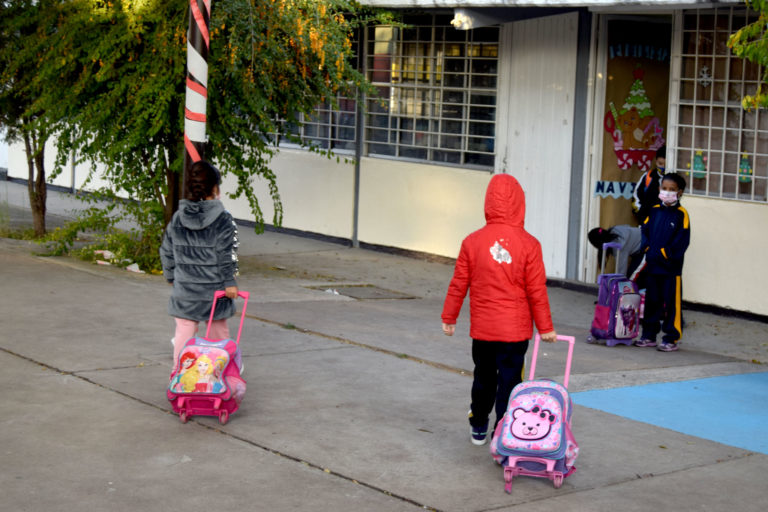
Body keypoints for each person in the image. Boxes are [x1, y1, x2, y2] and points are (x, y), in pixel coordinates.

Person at [441, 173, 557, 446]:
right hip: (514, 333)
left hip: (483, 329)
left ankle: (479, 423)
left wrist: (450, 316)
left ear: (488, 203)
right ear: (520, 203)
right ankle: (504, 431)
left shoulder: (472, 241)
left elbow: (459, 283)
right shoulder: (530, 244)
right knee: (510, 381)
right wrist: (546, 327)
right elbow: (536, 290)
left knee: (483, 376)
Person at [160, 160, 240, 365]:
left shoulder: (178, 218)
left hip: (186, 290)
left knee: (184, 332)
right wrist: (229, 282)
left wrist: (170, 276)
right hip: (214, 291)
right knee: (218, 335)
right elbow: (226, 254)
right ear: (215, 189)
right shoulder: (223, 219)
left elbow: (167, 250)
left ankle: (180, 373)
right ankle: (218, 374)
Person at [634, 172, 690, 352]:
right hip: (653, 266)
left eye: (671, 190)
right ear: (659, 189)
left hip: (671, 270)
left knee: (671, 304)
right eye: (664, 189)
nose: (667, 193)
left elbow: (682, 240)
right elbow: (645, 229)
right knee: (652, 302)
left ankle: (671, 338)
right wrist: (648, 248)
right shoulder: (655, 209)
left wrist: (666, 253)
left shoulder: (682, 215)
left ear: (679, 192)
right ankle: (649, 335)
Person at [633, 145, 666, 223]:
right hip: (646, 222)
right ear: (655, 161)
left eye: (665, 165)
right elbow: (636, 197)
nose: (663, 167)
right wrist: (642, 216)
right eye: (660, 163)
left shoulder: (673, 179)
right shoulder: (648, 176)